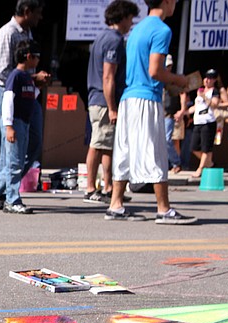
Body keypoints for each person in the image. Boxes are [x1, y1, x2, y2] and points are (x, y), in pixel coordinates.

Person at [107, 0, 195, 224]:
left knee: (124, 152)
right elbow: (155, 71)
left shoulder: (137, 30)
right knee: (155, 152)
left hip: (129, 97)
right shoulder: (161, 29)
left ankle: (115, 204)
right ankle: (163, 209)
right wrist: (179, 80)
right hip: (147, 98)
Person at [83, 0, 138, 204]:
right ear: (122, 17)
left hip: (100, 99)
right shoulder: (114, 39)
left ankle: (108, 187)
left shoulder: (101, 37)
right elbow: (108, 76)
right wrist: (113, 107)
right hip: (104, 100)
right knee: (98, 144)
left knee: (108, 145)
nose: (131, 24)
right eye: (130, 18)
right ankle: (90, 189)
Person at [0, 0, 48, 185]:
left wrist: (35, 80)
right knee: (10, 147)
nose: (40, 17)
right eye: (37, 13)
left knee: (34, 142)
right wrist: (32, 79)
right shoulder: (7, 33)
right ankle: (3, 191)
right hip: (8, 93)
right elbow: (2, 72)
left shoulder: (27, 33)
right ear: (26, 11)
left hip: (28, 94)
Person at [0, 41, 40, 215]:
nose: (37, 61)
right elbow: (8, 101)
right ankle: (12, 199)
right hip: (16, 123)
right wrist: (9, 126)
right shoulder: (15, 76)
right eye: (36, 57)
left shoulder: (27, 77)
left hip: (25, 123)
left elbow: (29, 96)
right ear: (28, 56)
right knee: (14, 164)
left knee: (17, 163)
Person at [190, 69, 228, 179]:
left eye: (210, 78)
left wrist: (204, 97)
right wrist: (184, 112)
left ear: (214, 80)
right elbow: (196, 106)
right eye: (206, 77)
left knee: (206, 147)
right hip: (198, 121)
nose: (207, 80)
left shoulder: (215, 91)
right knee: (194, 147)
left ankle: (200, 169)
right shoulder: (200, 90)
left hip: (208, 121)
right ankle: (210, 163)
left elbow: (214, 104)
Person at [163, 54, 187, 173]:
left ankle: (176, 162)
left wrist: (182, 110)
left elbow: (182, 94)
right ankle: (164, 163)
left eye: (169, 66)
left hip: (169, 115)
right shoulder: (158, 78)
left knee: (167, 139)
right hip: (157, 113)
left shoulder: (173, 80)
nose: (168, 68)